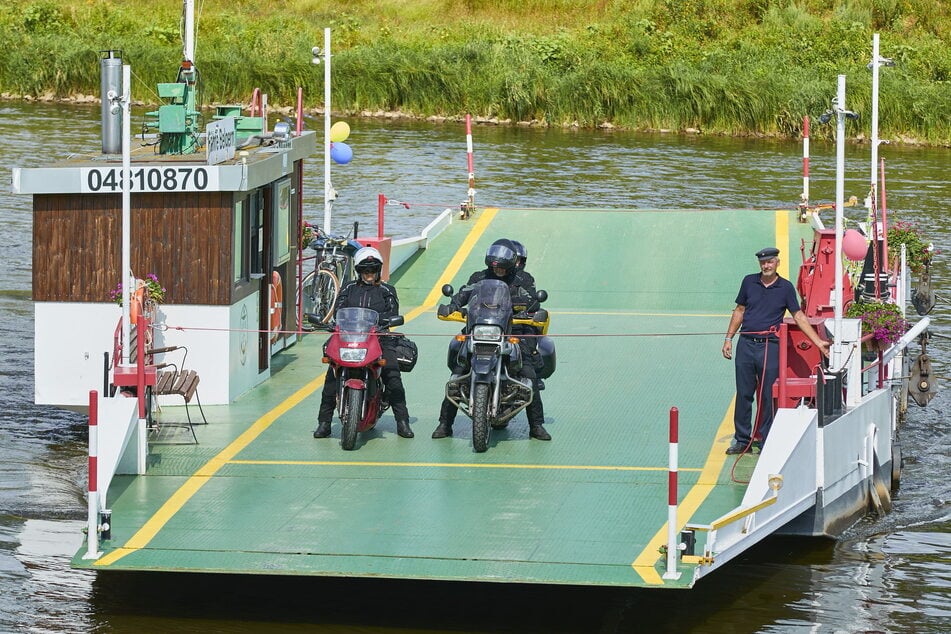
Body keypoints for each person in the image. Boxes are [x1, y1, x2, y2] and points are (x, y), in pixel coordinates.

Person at [432, 238, 551, 441]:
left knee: (528, 373)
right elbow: (465, 292)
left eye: (503, 269)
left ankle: (536, 426)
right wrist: (453, 305)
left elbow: (532, 300)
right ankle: (445, 424)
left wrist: (529, 309)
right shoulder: (479, 277)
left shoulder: (523, 280)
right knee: (458, 371)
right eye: (496, 269)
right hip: (480, 328)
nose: (499, 272)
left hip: (514, 330)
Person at [721, 247, 830, 454]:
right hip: (746, 344)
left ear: (777, 263)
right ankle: (742, 440)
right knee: (744, 393)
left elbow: (798, 316)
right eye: (763, 263)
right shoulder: (748, 282)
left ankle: (765, 440)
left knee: (767, 395)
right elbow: (740, 311)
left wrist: (818, 342)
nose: (766, 266)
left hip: (770, 346)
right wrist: (728, 339)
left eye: (770, 262)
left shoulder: (786, 288)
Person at [314, 247, 414, 439]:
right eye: (365, 270)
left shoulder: (387, 290)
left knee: (392, 376)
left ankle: (402, 422)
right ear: (359, 271)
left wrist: (383, 322)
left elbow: (393, 313)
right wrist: (335, 323)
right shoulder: (348, 288)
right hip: (349, 337)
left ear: (378, 270)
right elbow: (339, 311)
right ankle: (324, 423)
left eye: (372, 270)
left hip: (380, 337)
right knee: (331, 377)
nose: (369, 274)